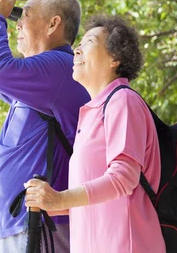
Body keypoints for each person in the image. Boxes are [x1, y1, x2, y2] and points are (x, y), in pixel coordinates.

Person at [24, 15, 165, 253]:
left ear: (115, 58)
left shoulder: (123, 100)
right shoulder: (92, 113)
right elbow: (95, 199)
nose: (76, 50)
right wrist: (49, 201)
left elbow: (123, 179)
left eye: (88, 42)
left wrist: (60, 199)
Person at [0, 0, 90, 252]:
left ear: (53, 24)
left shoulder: (60, 67)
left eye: (24, 15)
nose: (18, 24)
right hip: (23, 223)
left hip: (42, 223)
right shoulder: (43, 80)